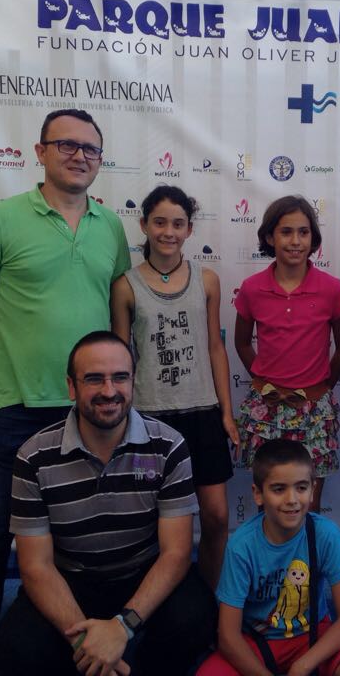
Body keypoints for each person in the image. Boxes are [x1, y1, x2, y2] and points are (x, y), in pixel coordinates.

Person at [0, 109, 131, 676]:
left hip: (92, 408)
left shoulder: (111, 226)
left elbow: (118, 309)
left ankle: (86, 627)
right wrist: (16, 345)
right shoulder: (1, 219)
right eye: (67, 145)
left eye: (90, 149)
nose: (79, 156)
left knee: (94, 528)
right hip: (17, 407)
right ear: (40, 151)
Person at [0, 330, 217, 676]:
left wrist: (122, 627)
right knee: (16, 651)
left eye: (120, 377)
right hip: (70, 579)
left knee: (196, 619)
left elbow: (176, 554)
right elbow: (36, 567)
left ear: (133, 382)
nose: (109, 391)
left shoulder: (169, 446)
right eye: (94, 379)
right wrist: (88, 644)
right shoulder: (33, 456)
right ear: (71, 386)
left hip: (141, 573)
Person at [112, 184, 238, 590]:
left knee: (217, 516)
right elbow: (120, 359)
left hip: (202, 412)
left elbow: (215, 347)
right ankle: (155, 601)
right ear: (144, 225)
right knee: (152, 522)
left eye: (178, 224)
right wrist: (121, 420)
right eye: (160, 222)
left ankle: (209, 596)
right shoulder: (125, 286)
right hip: (150, 417)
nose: (169, 232)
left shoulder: (208, 280)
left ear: (190, 229)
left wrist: (226, 412)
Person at [197, 439, 340, 676]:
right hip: (256, 641)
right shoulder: (241, 546)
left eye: (301, 488)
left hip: (312, 636)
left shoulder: (325, 534)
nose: (292, 499)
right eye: (279, 489)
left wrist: (302, 666)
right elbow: (228, 636)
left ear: (312, 490)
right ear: (258, 494)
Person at [234, 195, 340, 513]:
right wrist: (263, 381)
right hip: (266, 408)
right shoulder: (252, 288)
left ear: (313, 238)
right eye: (286, 232)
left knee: (307, 505)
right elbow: (242, 343)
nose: (295, 241)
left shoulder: (331, 288)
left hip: (314, 411)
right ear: (270, 237)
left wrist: (322, 388)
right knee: (270, 504)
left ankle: (307, 550)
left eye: (303, 232)